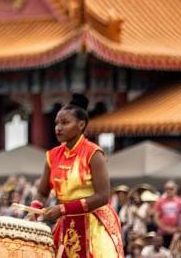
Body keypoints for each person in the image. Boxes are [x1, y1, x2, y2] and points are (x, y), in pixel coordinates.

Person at [34, 94, 123, 257]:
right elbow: (42, 192)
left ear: (81, 124)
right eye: (56, 123)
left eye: (65, 123)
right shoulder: (52, 155)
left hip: (95, 222)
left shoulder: (94, 153)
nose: (58, 128)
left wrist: (62, 209)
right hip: (67, 223)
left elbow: (103, 196)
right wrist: (35, 209)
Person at [153, 180, 181, 248]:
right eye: (167, 189)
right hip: (163, 233)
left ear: (175, 189)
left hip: (176, 233)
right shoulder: (160, 201)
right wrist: (165, 228)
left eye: (171, 189)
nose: (169, 190)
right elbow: (156, 218)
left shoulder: (180, 201)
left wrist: (178, 229)